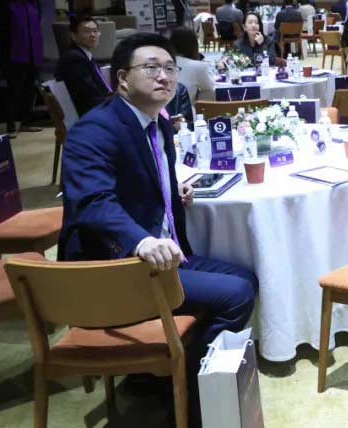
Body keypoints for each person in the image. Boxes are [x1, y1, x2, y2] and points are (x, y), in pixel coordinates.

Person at [57, 32, 257, 422]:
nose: (164, 76)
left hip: (159, 259)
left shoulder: (157, 122)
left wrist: (170, 189)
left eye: (170, 68)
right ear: (122, 79)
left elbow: (139, 176)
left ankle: (163, 374)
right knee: (235, 295)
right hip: (113, 269)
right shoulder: (93, 130)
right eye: (151, 68)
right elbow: (93, 201)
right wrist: (140, 240)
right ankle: (194, 399)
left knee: (246, 278)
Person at [0, 0, 44, 137]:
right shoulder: (1, 0)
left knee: (30, 89)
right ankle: (11, 126)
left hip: (33, 53)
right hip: (13, 54)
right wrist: (4, 39)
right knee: (14, 90)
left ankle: (26, 123)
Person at [55, 14, 112, 116]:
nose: (93, 35)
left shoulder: (83, 55)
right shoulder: (74, 58)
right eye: (87, 31)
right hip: (88, 113)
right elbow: (90, 94)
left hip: (94, 107)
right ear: (74, 36)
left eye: (95, 31)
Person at [168, 27, 215, 106]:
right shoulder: (198, 66)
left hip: (158, 109)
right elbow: (210, 86)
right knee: (208, 93)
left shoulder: (162, 62)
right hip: (185, 110)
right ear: (194, 45)